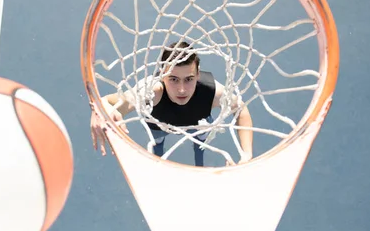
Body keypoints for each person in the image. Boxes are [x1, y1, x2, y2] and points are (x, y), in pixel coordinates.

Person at [90, 41, 254, 166]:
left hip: (198, 124)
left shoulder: (212, 91)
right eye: (174, 79)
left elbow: (241, 110)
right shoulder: (151, 92)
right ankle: (159, 161)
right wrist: (100, 110)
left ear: (197, 75)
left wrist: (247, 154)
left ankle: (199, 164)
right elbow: (106, 101)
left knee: (200, 143)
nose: (182, 90)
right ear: (162, 75)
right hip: (160, 125)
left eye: (188, 79)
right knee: (157, 145)